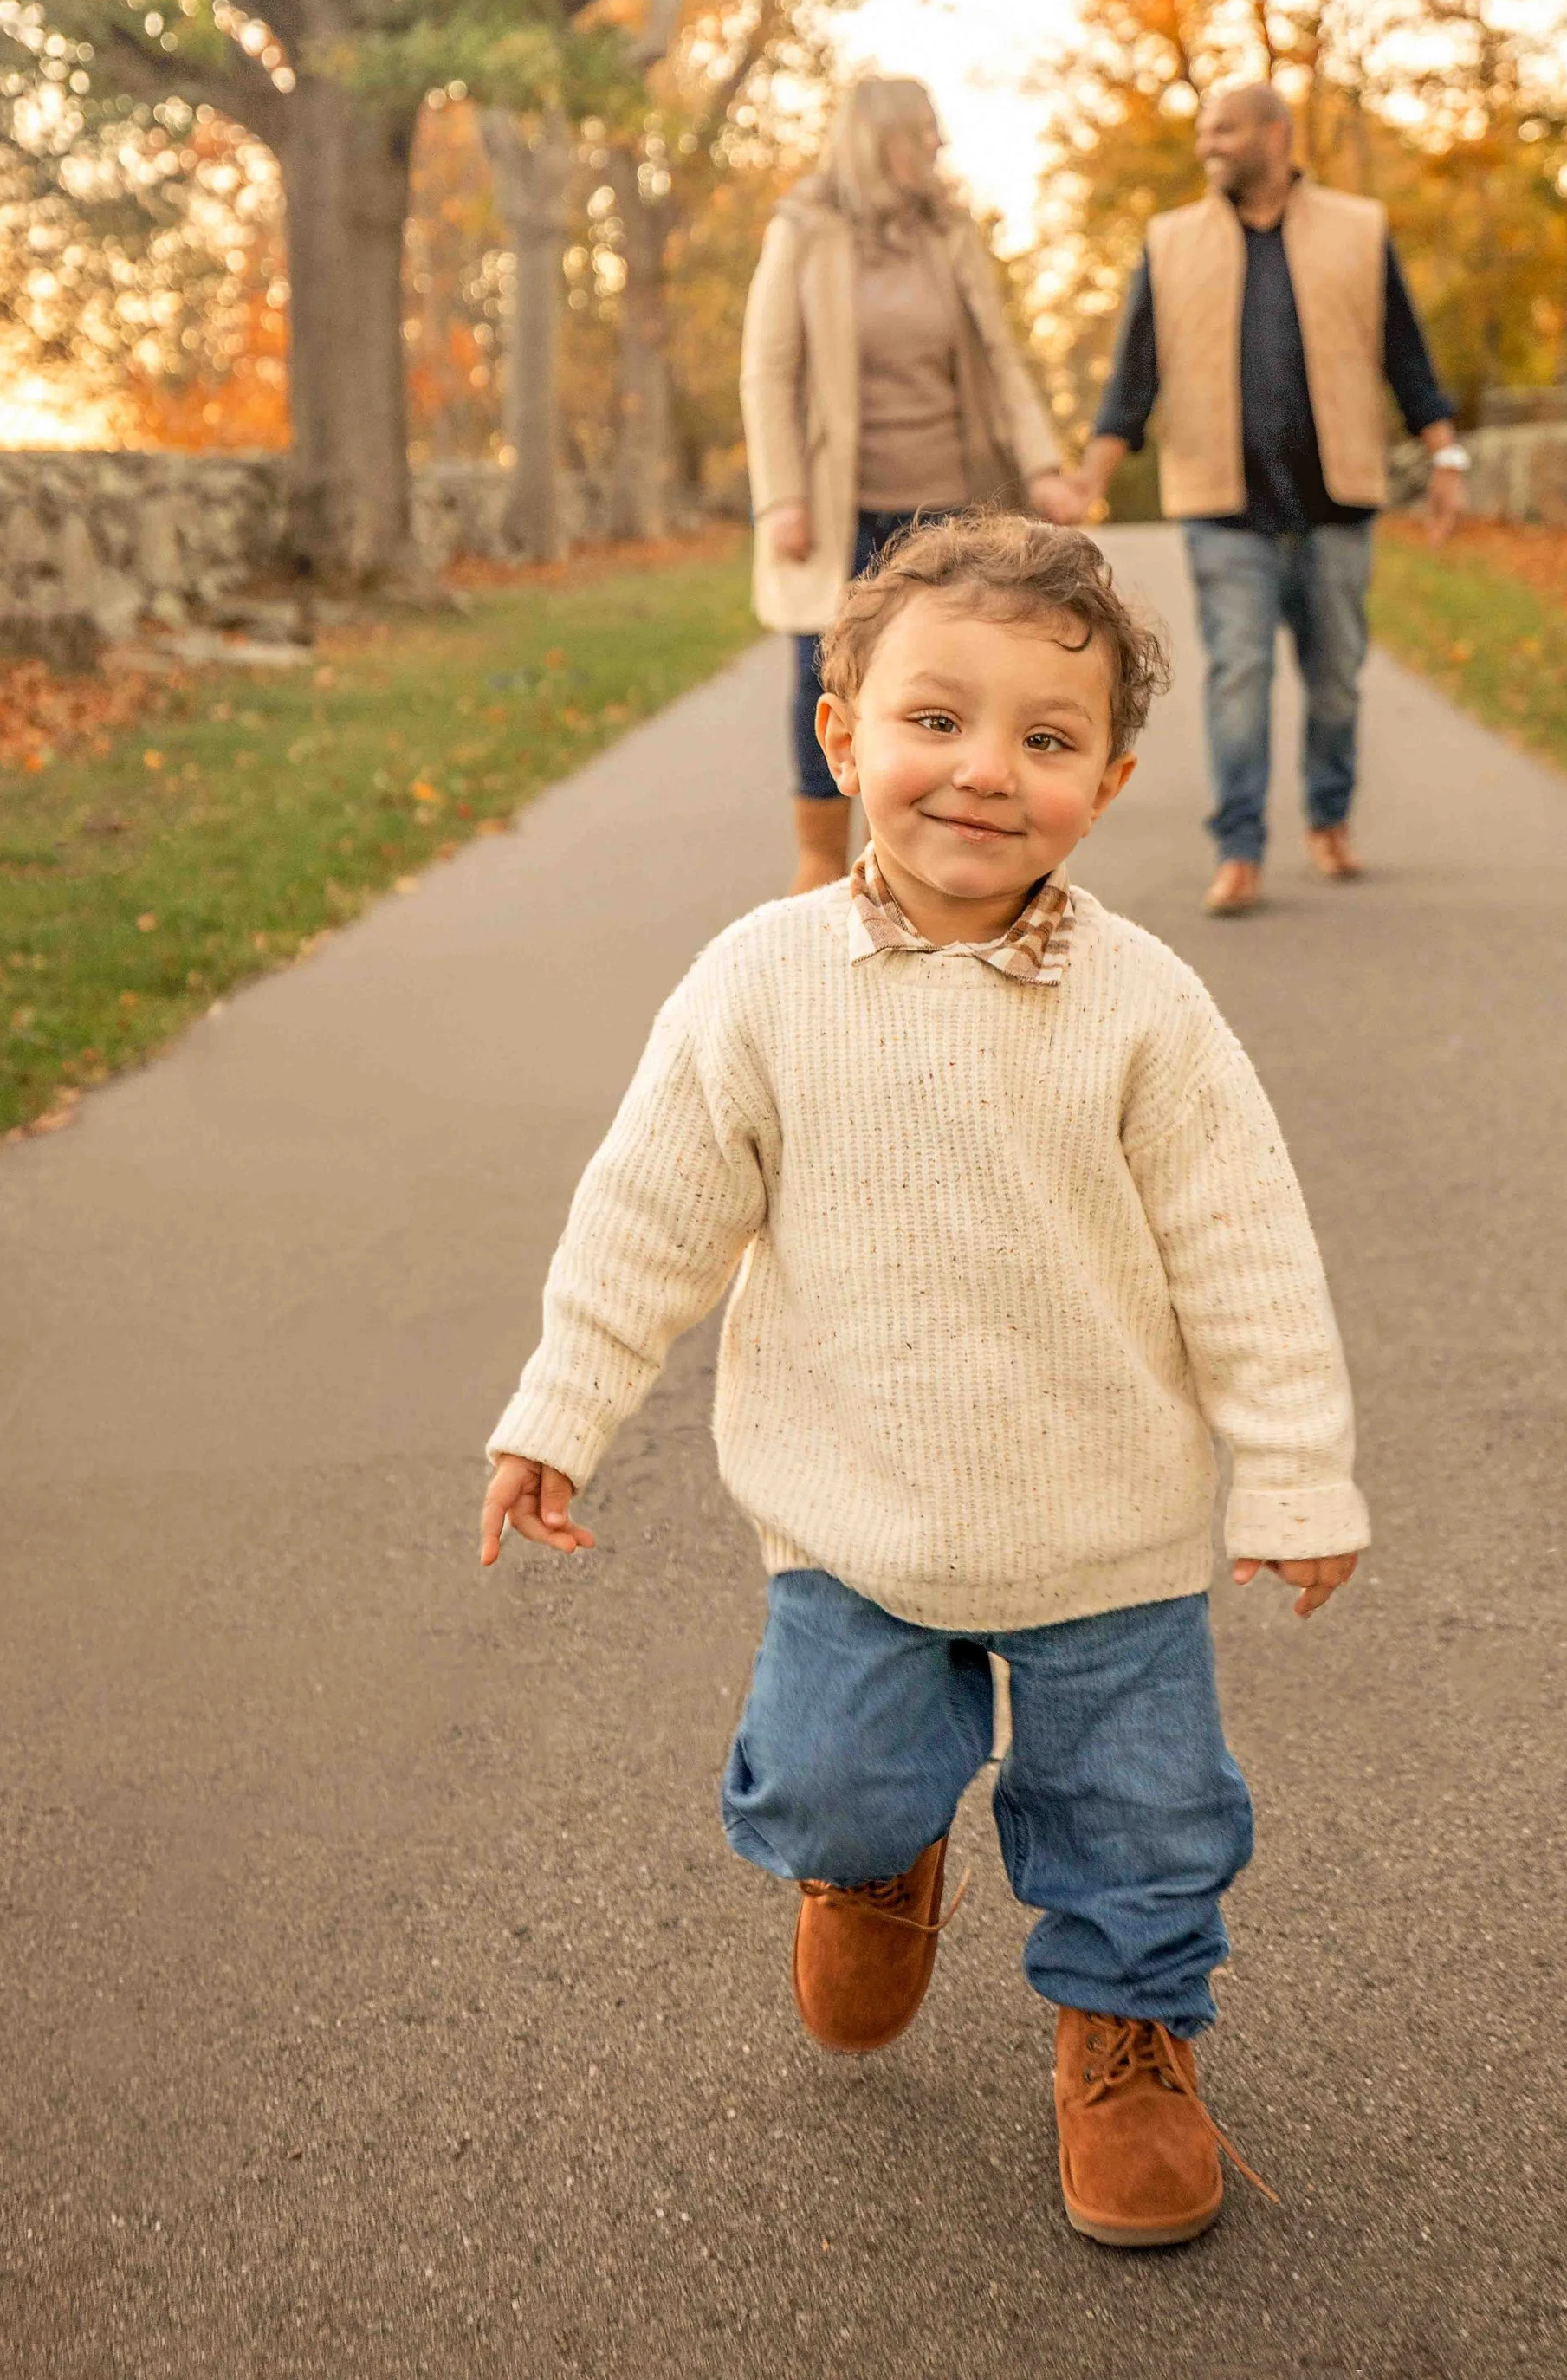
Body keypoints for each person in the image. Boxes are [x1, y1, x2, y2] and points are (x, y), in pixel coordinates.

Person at [479, 513, 1368, 2250]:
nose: (981, 771)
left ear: (1104, 781)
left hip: (1102, 1521)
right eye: (933, 721)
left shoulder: (1145, 1004)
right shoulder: (759, 982)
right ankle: (873, 1850)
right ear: (841, 734)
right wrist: (554, 1410)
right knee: (827, 1771)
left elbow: (1244, 1256)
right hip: (853, 1511)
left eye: (1043, 740)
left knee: (1142, 1814)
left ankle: (1126, 2025)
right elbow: (646, 1219)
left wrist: (1295, 1473)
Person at [1065, 81, 1467, 915]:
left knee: (1336, 679)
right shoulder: (1171, 241)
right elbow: (1132, 378)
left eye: (1226, 129)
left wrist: (1447, 457)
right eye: (1204, 131)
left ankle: (1328, 818)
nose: (1209, 143)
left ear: (1276, 136)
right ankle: (1240, 848)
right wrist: (1091, 482)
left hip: (1337, 502)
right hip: (1224, 506)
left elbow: (1408, 356)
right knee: (1238, 673)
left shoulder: (1359, 229)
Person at [741, 75, 1084, 892]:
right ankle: (822, 861)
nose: (937, 146)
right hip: (840, 505)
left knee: (949, 681)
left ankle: (909, 858)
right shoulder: (805, 230)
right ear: (877, 139)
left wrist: (1042, 467)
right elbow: (768, 370)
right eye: (922, 132)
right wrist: (781, 496)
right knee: (822, 678)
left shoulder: (949, 231)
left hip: (950, 504)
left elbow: (1000, 359)